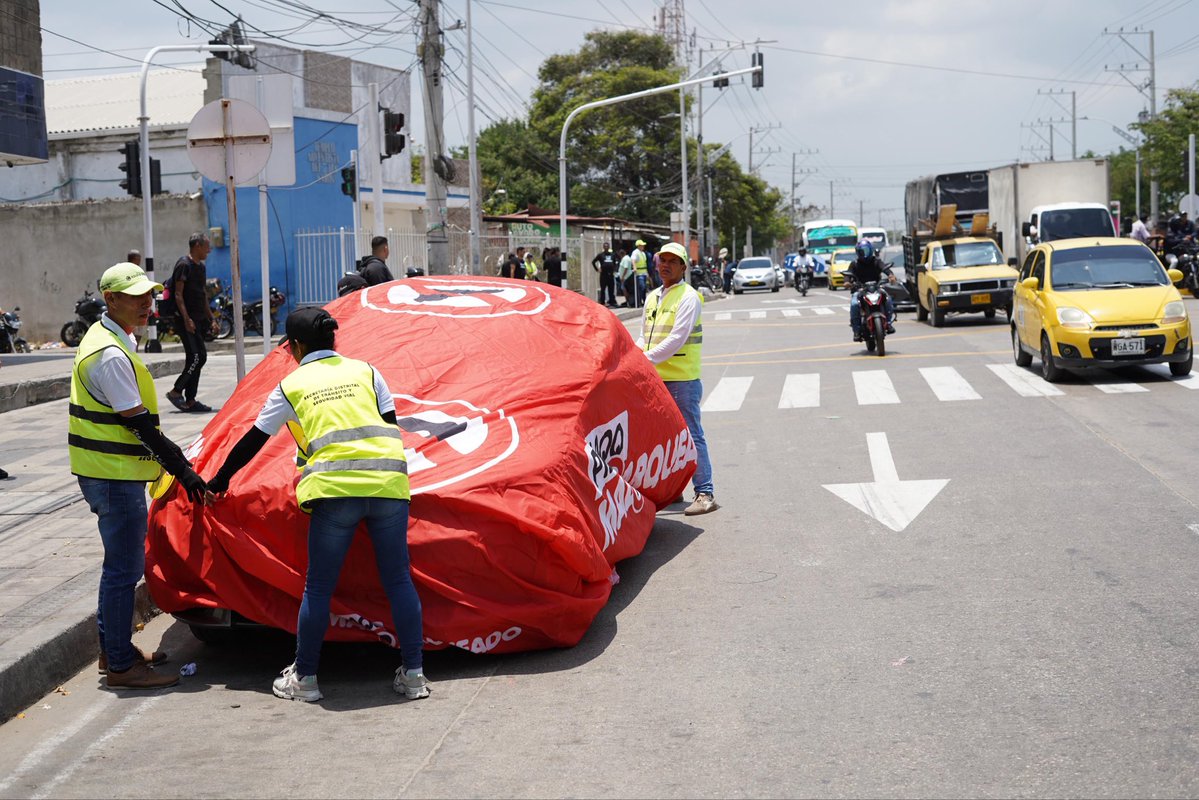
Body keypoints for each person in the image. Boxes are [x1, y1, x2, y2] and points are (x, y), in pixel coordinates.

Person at [204, 307, 428, 703]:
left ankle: (305, 679)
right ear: (333, 340)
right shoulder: (368, 371)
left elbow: (254, 440)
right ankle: (413, 676)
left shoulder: (291, 385)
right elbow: (390, 425)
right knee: (398, 580)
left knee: (319, 586)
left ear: (292, 347)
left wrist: (219, 481)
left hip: (334, 490)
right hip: (388, 484)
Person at [70, 262, 208, 690]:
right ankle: (122, 667)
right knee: (124, 570)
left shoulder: (111, 338)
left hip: (110, 471)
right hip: (113, 475)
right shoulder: (110, 354)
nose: (148, 304)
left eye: (150, 295)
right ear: (111, 300)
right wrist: (184, 471)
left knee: (118, 568)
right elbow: (141, 425)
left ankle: (115, 652)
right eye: (136, 297)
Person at [636, 242, 718, 516]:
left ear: (684, 266)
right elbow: (644, 336)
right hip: (654, 379)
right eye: (662, 260)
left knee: (692, 436)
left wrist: (643, 359)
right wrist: (632, 355)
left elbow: (676, 339)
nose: (665, 265)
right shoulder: (652, 297)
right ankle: (672, 491)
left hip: (682, 380)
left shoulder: (688, 297)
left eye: (673, 261)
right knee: (661, 438)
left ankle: (705, 492)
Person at [166, 232, 217, 413]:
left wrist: (211, 318)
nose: (209, 251)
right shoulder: (183, 265)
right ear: (197, 246)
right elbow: (178, 295)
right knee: (198, 357)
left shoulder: (200, 268)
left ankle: (190, 400)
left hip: (198, 319)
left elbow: (202, 294)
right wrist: (186, 319)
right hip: (184, 319)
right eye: (206, 247)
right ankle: (176, 391)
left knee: (197, 357)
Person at [847, 240, 897, 342]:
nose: (864, 254)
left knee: (888, 300)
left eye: (866, 251)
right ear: (857, 252)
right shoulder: (854, 264)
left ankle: (888, 323)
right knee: (854, 304)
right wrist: (847, 282)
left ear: (871, 250)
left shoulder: (876, 261)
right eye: (861, 251)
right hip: (860, 289)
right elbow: (848, 275)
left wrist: (891, 276)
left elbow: (885, 268)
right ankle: (856, 331)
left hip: (877, 288)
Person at [631, 239, 649, 307]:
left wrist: (647, 273)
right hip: (639, 273)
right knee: (641, 287)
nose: (643, 246)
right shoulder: (635, 252)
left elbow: (644, 263)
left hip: (644, 273)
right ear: (638, 246)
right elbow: (633, 260)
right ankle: (639, 301)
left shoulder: (643, 253)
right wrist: (634, 267)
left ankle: (644, 301)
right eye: (642, 245)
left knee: (644, 288)